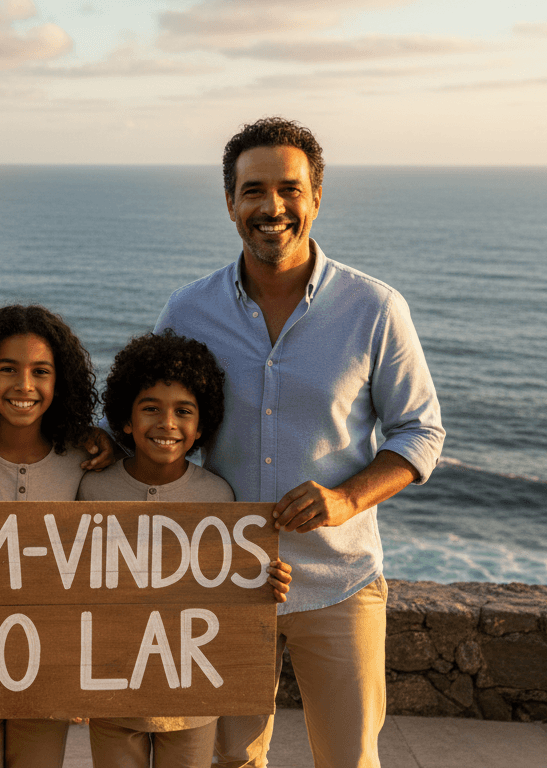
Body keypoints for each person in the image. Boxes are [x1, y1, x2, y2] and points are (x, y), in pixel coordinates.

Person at [152, 118, 445, 768]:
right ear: (230, 203)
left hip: (339, 580)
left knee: (347, 761)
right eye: (253, 190)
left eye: (289, 188)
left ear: (315, 197)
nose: (272, 207)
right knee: (228, 761)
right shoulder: (187, 312)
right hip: (223, 578)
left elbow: (420, 431)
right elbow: (152, 426)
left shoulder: (375, 308)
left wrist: (345, 498)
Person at [78, 331, 291, 768]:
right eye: (150, 408)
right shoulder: (91, 488)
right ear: (124, 419)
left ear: (200, 427)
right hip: (112, 692)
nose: (167, 423)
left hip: (192, 699)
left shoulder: (219, 496)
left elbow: (228, 584)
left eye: (183, 412)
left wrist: (264, 582)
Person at [0, 304, 99, 768]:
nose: (24, 386)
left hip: (47, 671)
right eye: (7, 369)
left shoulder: (83, 461)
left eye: (40, 372)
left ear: (59, 382)